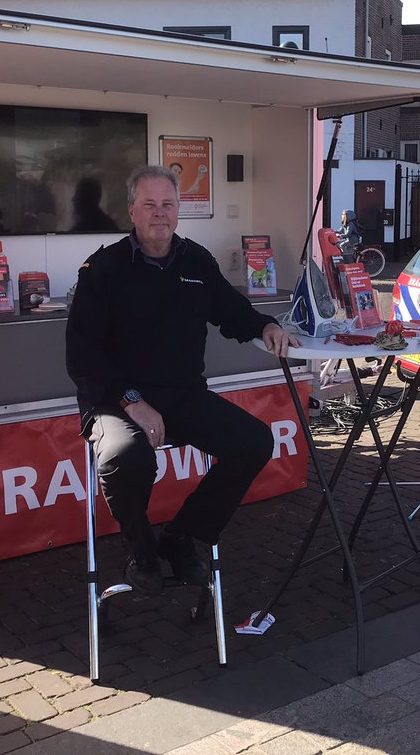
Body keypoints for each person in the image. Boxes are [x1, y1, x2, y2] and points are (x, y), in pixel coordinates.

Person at [66, 165, 298, 595]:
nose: (160, 213)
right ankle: (141, 550)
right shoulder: (103, 268)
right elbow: (82, 356)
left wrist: (264, 325)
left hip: (182, 394)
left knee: (253, 441)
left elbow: (232, 311)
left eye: (168, 205)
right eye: (149, 205)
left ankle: (182, 537)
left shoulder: (196, 260)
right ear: (131, 211)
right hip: (116, 400)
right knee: (126, 457)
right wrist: (131, 399)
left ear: (178, 211)